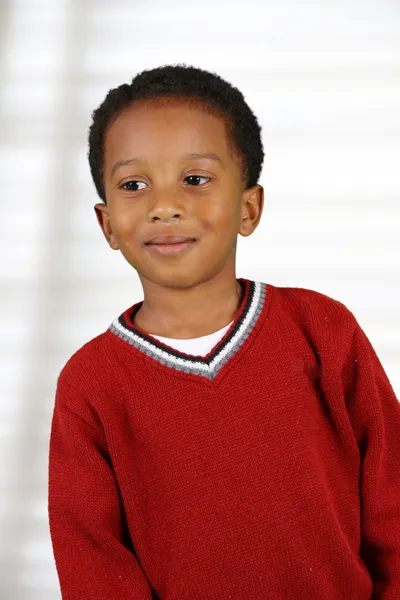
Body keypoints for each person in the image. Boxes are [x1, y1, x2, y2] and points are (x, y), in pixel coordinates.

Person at [48, 64, 400, 599]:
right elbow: (92, 559)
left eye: (195, 179)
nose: (164, 206)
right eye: (134, 185)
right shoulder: (90, 383)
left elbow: (390, 499)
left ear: (248, 207)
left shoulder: (323, 330)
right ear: (107, 224)